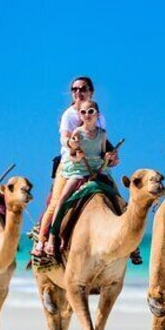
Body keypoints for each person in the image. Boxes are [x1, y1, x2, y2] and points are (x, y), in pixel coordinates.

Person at [43, 100, 118, 254]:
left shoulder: (102, 134)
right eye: (83, 112)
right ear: (80, 115)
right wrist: (77, 154)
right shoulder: (77, 133)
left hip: (97, 170)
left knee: (117, 197)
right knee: (62, 199)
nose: (87, 115)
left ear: (97, 114)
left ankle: (129, 241)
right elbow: (72, 156)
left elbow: (103, 154)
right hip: (79, 170)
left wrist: (108, 157)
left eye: (90, 111)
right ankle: (52, 236)